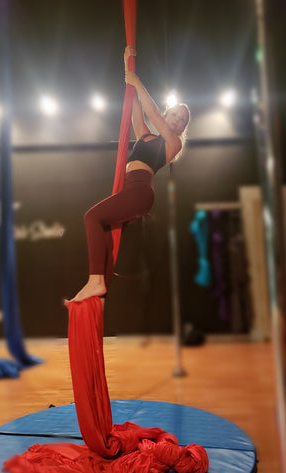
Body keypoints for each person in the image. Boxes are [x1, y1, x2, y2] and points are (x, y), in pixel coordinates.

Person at [65, 46, 190, 305]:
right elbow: (134, 105)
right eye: (175, 114)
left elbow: (153, 112)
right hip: (130, 191)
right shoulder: (145, 134)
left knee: (91, 217)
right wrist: (127, 68)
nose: (177, 120)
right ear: (169, 114)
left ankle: (96, 280)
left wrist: (137, 80)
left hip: (140, 192)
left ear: (182, 128)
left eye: (182, 120)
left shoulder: (172, 144)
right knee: (105, 233)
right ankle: (99, 292)